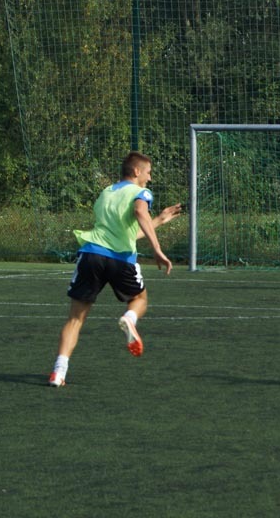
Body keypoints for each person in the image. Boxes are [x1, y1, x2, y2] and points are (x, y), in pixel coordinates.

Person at [48, 151, 182, 387]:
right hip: (120, 258)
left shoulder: (106, 193)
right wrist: (157, 248)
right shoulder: (141, 192)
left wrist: (160, 220)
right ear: (137, 171)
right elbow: (140, 211)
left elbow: (127, 233)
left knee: (75, 319)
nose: (150, 178)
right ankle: (129, 319)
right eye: (148, 172)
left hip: (91, 255)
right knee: (139, 300)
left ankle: (58, 372)